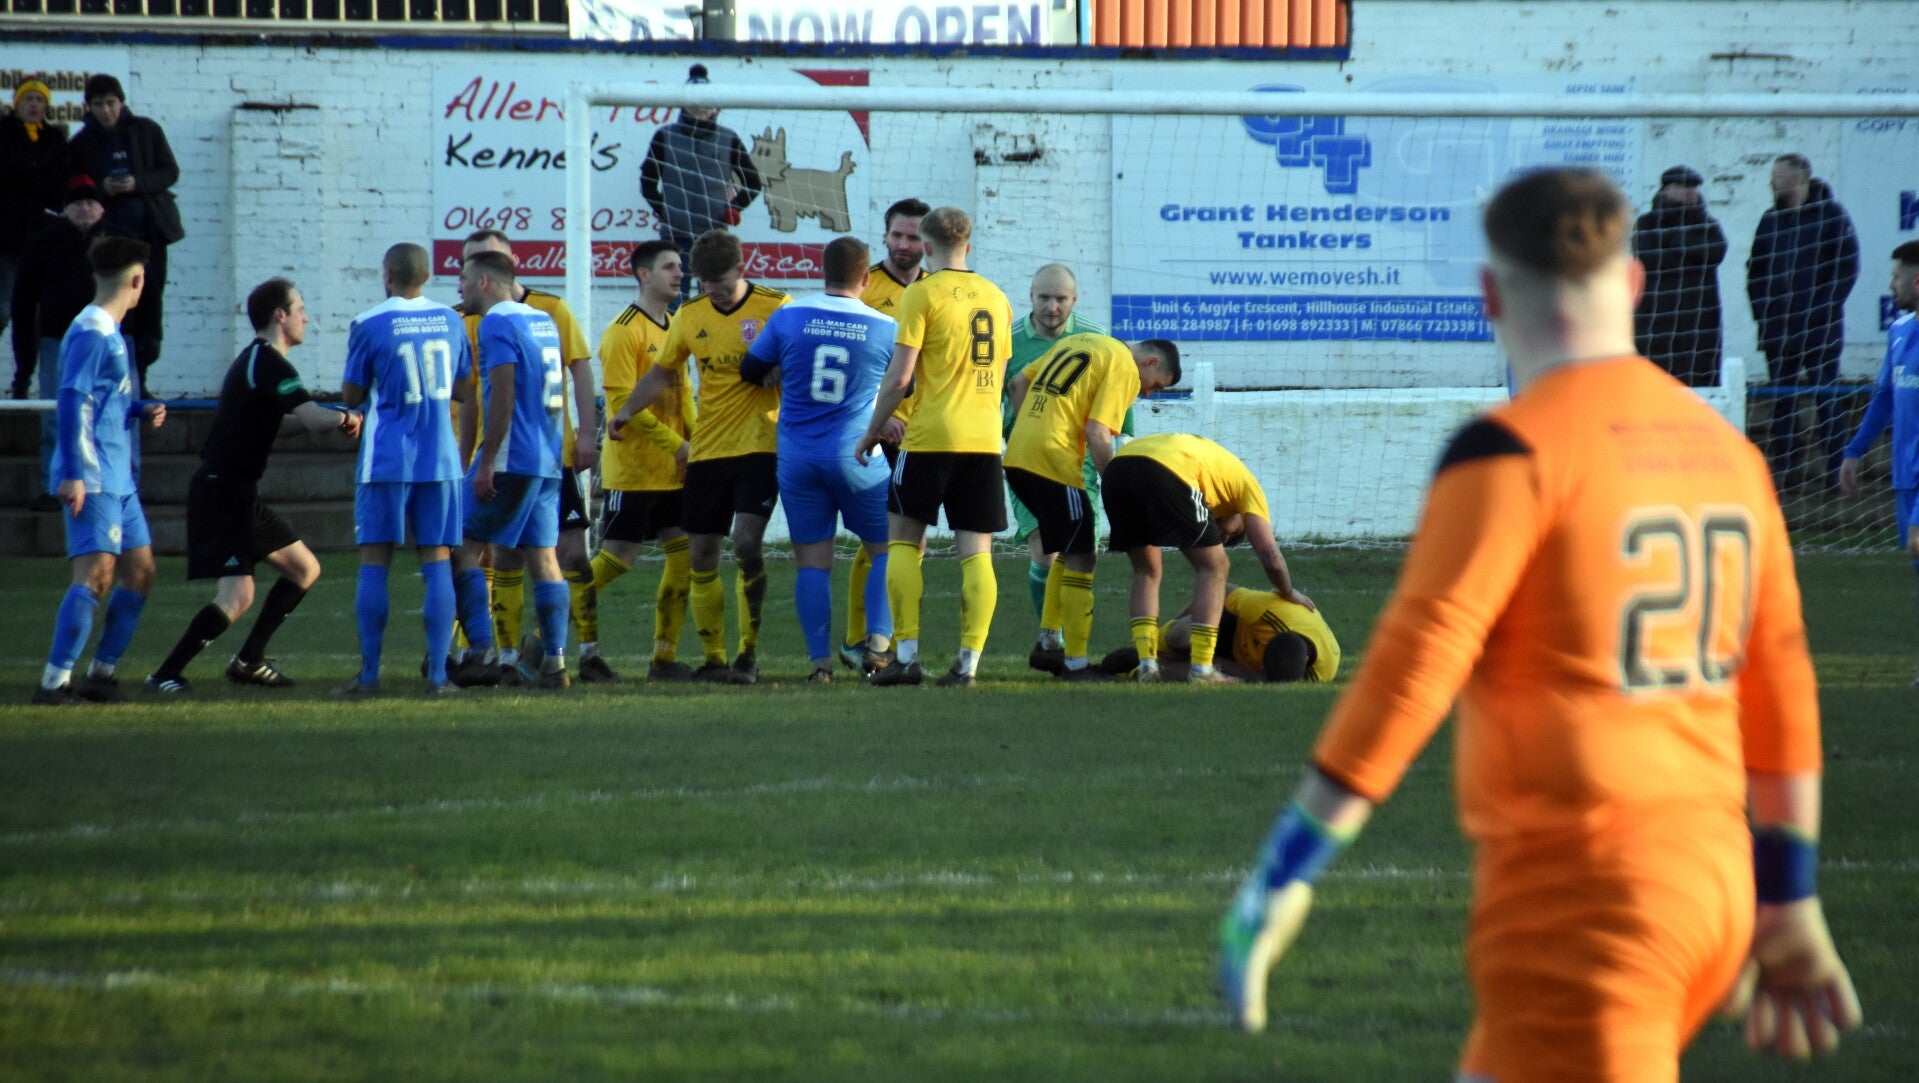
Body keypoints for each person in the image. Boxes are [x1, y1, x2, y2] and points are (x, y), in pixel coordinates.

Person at [1220, 167, 1862, 1079]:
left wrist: (1286, 868)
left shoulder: (1511, 449)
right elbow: (1781, 682)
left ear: (1490, 295)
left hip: (1585, 896)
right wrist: (1788, 894)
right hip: (1713, 877)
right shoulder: (1729, 453)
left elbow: (1413, 669)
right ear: (1632, 283)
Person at [143, 278, 360, 694]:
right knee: (238, 595)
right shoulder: (270, 362)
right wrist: (347, 417)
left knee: (304, 569)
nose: (306, 318)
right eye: (300, 309)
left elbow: (279, 425)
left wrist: (327, 418)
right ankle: (165, 674)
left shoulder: (256, 361)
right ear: (280, 315)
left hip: (238, 492)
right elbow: (314, 420)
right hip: (222, 492)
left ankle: (249, 661)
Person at [609, 228, 788, 683]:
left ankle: (748, 654)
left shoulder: (776, 307)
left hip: (760, 446)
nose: (712, 290)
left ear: (741, 269)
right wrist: (626, 411)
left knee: (746, 544)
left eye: (719, 282)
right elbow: (661, 373)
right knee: (702, 552)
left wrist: (782, 368)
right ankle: (715, 659)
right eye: (704, 282)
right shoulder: (689, 315)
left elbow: (804, 362)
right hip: (708, 451)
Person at [855, 206, 1013, 688]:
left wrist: (871, 431)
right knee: (977, 553)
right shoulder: (997, 297)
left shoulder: (921, 293)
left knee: (903, 541)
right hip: (983, 439)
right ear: (969, 245)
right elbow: (999, 376)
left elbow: (899, 378)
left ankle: (906, 657)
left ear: (926, 247)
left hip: (929, 437)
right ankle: (968, 664)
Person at [741, 235, 896, 682]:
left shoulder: (789, 315)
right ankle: (878, 648)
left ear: (822, 272)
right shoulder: (885, 326)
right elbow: (903, 384)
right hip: (857, 455)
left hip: (798, 458)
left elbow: (750, 369)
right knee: (890, 548)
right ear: (866, 278)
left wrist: (782, 367)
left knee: (812, 562)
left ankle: (819, 665)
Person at [456, 230, 602, 682]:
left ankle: (480, 653)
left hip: (510, 458)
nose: (459, 288)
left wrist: (486, 459)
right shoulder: (542, 320)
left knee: (460, 548)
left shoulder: (496, 323)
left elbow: (502, 392)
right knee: (544, 558)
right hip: (548, 459)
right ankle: (555, 663)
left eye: (464, 279)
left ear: (484, 282)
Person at [334, 244, 474, 696]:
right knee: (437, 560)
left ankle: (369, 675)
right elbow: (462, 387)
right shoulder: (451, 320)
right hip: (440, 458)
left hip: (386, 459)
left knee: (375, 561)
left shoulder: (368, 322)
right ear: (427, 276)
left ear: (387, 274)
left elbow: (352, 395)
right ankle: (438, 677)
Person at [34, 236, 166, 704]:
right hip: (92, 475)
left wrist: (138, 410)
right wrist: (73, 472)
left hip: (118, 477)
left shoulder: (109, 331)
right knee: (95, 577)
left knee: (141, 571)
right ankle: (53, 684)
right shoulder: (92, 331)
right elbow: (71, 400)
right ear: (137, 280)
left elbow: (101, 401)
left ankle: (101, 674)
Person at [1004, 332, 1179, 677]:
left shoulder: (1082, 340)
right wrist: (1116, 487)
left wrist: (1030, 430)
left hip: (1018, 458)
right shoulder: (1124, 366)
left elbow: (1017, 382)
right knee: (1084, 555)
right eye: (1155, 386)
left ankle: (1049, 643)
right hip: (1053, 462)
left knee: (1069, 548)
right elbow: (1097, 431)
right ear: (1150, 362)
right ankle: (1077, 664)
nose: (1146, 394)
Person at [1100, 432, 1311, 684]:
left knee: (1147, 570)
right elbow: (1270, 556)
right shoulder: (1249, 488)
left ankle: (1147, 665)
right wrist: (1287, 591)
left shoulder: (1216, 473)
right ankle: (1202, 670)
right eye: (1231, 534)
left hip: (1117, 470)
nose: (1223, 536)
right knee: (1216, 566)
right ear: (1240, 519)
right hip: (1165, 468)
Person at [590, 240, 698, 681]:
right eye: (669, 267)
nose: (679, 274)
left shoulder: (676, 324)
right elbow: (622, 408)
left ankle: (663, 659)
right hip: (634, 472)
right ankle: (547, 637)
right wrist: (679, 445)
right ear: (643, 275)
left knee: (684, 559)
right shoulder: (623, 331)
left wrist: (695, 440)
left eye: (680, 267)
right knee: (616, 560)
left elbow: (684, 394)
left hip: (673, 471)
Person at [1006, 264, 1127, 624]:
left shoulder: (1097, 336)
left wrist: (1120, 453)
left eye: (1060, 298)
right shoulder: (1007, 341)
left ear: (1075, 299)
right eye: (1044, 297)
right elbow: (998, 391)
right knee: (1044, 548)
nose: (1052, 307)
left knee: (1081, 551)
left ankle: (1064, 636)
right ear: (1031, 296)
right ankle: (1054, 637)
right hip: (1027, 458)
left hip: (1080, 462)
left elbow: (1117, 410)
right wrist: (1029, 431)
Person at [840, 195, 928, 672]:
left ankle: (872, 639)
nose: (904, 244)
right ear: (885, 236)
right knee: (885, 538)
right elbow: (850, 362)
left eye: (913, 237)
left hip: (924, 432)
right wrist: (877, 416)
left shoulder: (938, 289)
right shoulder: (865, 288)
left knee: (903, 541)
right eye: (897, 235)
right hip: (875, 430)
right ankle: (867, 640)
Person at [1747, 153, 1860, 480]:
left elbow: (1846, 268)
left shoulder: (1832, 216)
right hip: (1778, 332)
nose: (1771, 182)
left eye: (1777, 177)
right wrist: (1763, 315)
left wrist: (1821, 312)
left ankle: (1836, 473)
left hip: (1820, 331)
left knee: (1827, 398)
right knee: (1782, 402)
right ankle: (1787, 471)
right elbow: (1756, 272)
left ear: (1797, 179)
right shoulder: (1770, 220)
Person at [1837, 241, 1919, 689]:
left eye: (1895, 277)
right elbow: (1885, 398)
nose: (1890, 285)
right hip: (1905, 477)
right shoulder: (1901, 331)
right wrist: (1854, 451)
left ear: (1917, 281)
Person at [67, 74, 181, 380]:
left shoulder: (147, 130)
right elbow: (76, 189)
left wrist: (136, 182)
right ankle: (117, 376)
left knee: (149, 303)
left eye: (111, 103)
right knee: (115, 305)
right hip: (109, 238)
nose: (106, 111)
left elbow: (170, 172)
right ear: (89, 107)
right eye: (98, 105)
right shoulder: (81, 143)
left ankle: (141, 378)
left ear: (121, 102)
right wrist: (103, 188)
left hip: (151, 233)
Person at [11, 177, 105, 508]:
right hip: (57, 341)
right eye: (77, 203)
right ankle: (53, 486)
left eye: (91, 202)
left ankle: (110, 485)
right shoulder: (43, 243)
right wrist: (25, 356)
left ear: (103, 208)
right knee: (54, 413)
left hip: (105, 342)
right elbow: (23, 299)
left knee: (108, 413)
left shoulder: (117, 242)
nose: (85, 208)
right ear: (64, 209)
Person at [639, 64, 761, 304]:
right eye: (695, 103)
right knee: (674, 303)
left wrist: (733, 209)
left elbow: (753, 182)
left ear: (713, 105)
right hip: (675, 237)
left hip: (714, 237)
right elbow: (647, 181)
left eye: (705, 103)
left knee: (714, 303)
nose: (700, 109)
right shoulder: (665, 136)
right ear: (684, 103)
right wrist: (666, 210)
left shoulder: (728, 138)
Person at [1099, 584, 1339, 683]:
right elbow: (1219, 589)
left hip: (1239, 665)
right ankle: (1149, 655)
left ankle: (1141, 671)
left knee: (1243, 678)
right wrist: (1174, 623)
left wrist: (1259, 676)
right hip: (1228, 625)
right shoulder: (1267, 610)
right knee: (1178, 637)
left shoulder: (1322, 672)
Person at [1632, 165, 1726, 387]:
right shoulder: (1646, 223)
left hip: (1700, 324)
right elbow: (1649, 259)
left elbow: (1715, 253)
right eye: (1684, 186)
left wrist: (1673, 241)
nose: (1691, 191)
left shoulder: (1708, 224)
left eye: (1694, 187)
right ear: (1666, 190)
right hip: (1655, 322)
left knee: (1699, 386)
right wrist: (1691, 255)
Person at [1, 79, 70, 366]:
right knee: (4, 308)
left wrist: (27, 174)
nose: (34, 105)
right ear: (17, 103)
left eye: (40, 100)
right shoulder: (4, 132)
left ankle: (23, 375)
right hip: (6, 236)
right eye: (28, 99)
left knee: (37, 314)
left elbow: (59, 185)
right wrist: (35, 170)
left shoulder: (54, 138)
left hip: (42, 236)